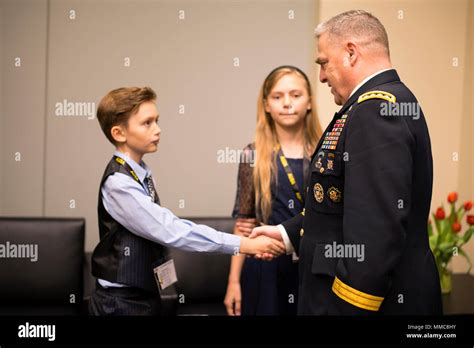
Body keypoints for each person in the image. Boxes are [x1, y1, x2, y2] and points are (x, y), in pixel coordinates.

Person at [251, 10, 442, 315]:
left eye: (324, 63)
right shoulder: (374, 105)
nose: (322, 75)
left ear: (351, 53)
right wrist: (286, 233)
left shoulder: (375, 111)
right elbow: (340, 204)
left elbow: (375, 235)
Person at [89, 86, 285, 316]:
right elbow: (170, 230)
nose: (158, 130)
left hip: (143, 296)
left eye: (157, 121)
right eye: (147, 123)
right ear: (119, 133)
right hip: (122, 304)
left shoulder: (140, 172)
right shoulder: (119, 184)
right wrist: (245, 244)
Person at [223, 66, 322, 315]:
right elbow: (244, 225)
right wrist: (233, 282)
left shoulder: (324, 151)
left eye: (295, 95)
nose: (287, 103)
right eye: (277, 97)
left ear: (309, 102)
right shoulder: (252, 155)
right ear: (266, 105)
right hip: (264, 267)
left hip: (312, 266)